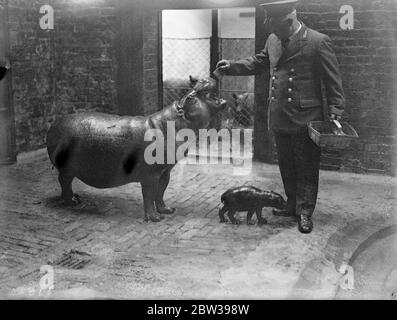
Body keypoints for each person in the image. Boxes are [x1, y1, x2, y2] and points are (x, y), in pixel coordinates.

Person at [216, 0, 345, 233]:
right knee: (286, 163)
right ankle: (291, 204)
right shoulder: (274, 39)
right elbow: (259, 62)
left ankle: (305, 212)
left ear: (290, 20)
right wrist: (231, 66)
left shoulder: (317, 41)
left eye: (276, 25)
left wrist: (336, 112)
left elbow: (332, 81)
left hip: (306, 116)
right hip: (281, 116)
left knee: (306, 166)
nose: (273, 31)